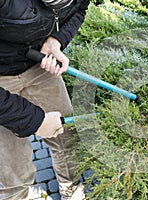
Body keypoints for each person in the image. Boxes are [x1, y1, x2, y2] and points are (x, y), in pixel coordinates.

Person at [0, 0, 90, 199]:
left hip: (36, 64)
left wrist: (56, 40)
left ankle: (70, 187)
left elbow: (80, 8)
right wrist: (34, 120)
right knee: (13, 172)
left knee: (66, 136)